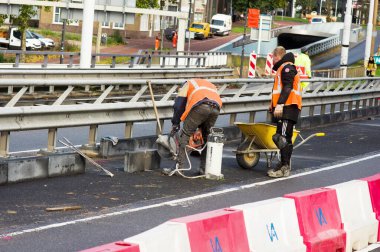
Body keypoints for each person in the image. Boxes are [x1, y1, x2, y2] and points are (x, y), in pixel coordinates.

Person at [162, 79, 222, 176]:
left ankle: (179, 169)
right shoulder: (206, 84)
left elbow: (178, 105)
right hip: (216, 108)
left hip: (201, 106)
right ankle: (204, 169)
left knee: (185, 135)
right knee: (207, 138)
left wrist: (175, 123)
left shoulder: (187, 84)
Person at [267, 46, 302, 178]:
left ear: (278, 56)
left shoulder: (287, 67)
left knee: (283, 137)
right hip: (286, 108)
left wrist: (280, 104)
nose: (273, 60)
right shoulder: (285, 68)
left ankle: (284, 167)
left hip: (289, 107)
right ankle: (283, 164)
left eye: (273, 57)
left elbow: (288, 86)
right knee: (279, 137)